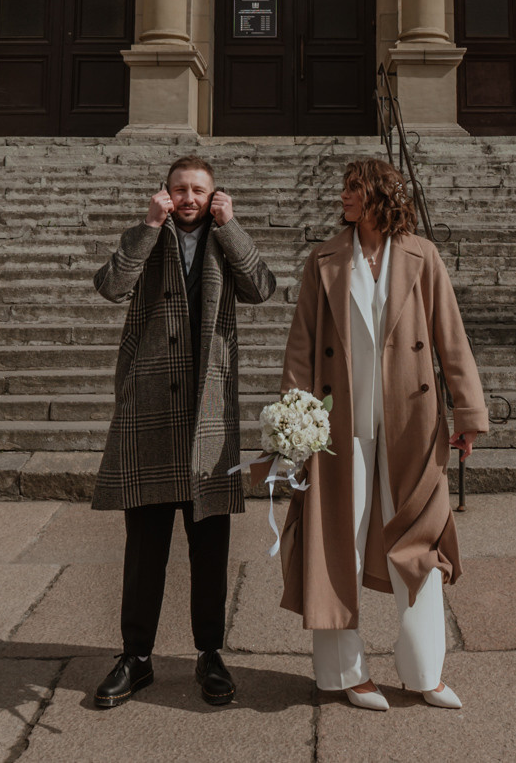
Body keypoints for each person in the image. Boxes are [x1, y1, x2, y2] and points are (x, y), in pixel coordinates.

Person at [274, 158, 488, 711]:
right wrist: (296, 419)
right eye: (343, 189)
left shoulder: (422, 256)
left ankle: (424, 672)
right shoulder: (323, 259)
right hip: (337, 427)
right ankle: (344, 673)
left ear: (379, 197)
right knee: (334, 542)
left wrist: (468, 414)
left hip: (410, 426)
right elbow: (301, 346)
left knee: (419, 545)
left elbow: (451, 340)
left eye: (353, 189)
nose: (343, 198)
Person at [90, 155, 277, 709]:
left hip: (209, 415)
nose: (190, 198)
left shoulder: (224, 237)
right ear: (165, 194)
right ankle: (136, 658)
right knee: (144, 546)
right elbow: (110, 285)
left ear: (215, 195)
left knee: (210, 549)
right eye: (180, 189)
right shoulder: (150, 236)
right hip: (149, 410)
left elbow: (262, 287)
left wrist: (233, 226)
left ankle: (210, 655)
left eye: (199, 190)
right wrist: (148, 226)